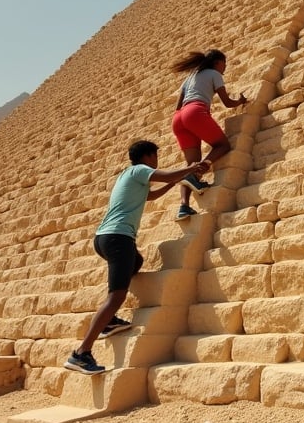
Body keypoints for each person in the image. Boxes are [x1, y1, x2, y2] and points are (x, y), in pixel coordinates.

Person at [64, 140, 209, 375]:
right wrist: (192, 168)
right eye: (156, 156)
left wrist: (176, 181)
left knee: (136, 262)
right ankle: (81, 353)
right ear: (149, 156)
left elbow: (150, 196)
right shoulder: (141, 170)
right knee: (116, 296)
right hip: (118, 238)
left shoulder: (127, 176)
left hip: (105, 238)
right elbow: (166, 175)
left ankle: (109, 321)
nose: (157, 161)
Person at [170, 49, 248, 222]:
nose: (225, 67)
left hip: (178, 119)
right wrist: (241, 101)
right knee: (222, 145)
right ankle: (199, 172)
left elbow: (178, 106)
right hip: (195, 113)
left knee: (190, 164)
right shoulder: (214, 74)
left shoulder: (190, 77)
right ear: (217, 62)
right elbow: (227, 103)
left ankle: (183, 207)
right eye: (224, 63)